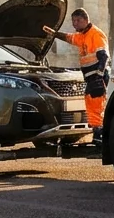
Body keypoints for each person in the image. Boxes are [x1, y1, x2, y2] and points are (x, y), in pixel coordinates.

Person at [43, 9, 109, 144]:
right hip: (91, 78)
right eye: (73, 21)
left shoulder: (95, 34)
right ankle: (98, 136)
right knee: (91, 107)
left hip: (98, 78)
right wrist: (55, 34)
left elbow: (104, 57)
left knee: (96, 107)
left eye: (78, 21)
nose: (75, 24)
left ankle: (100, 136)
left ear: (86, 20)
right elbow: (69, 38)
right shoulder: (82, 36)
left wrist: (99, 76)